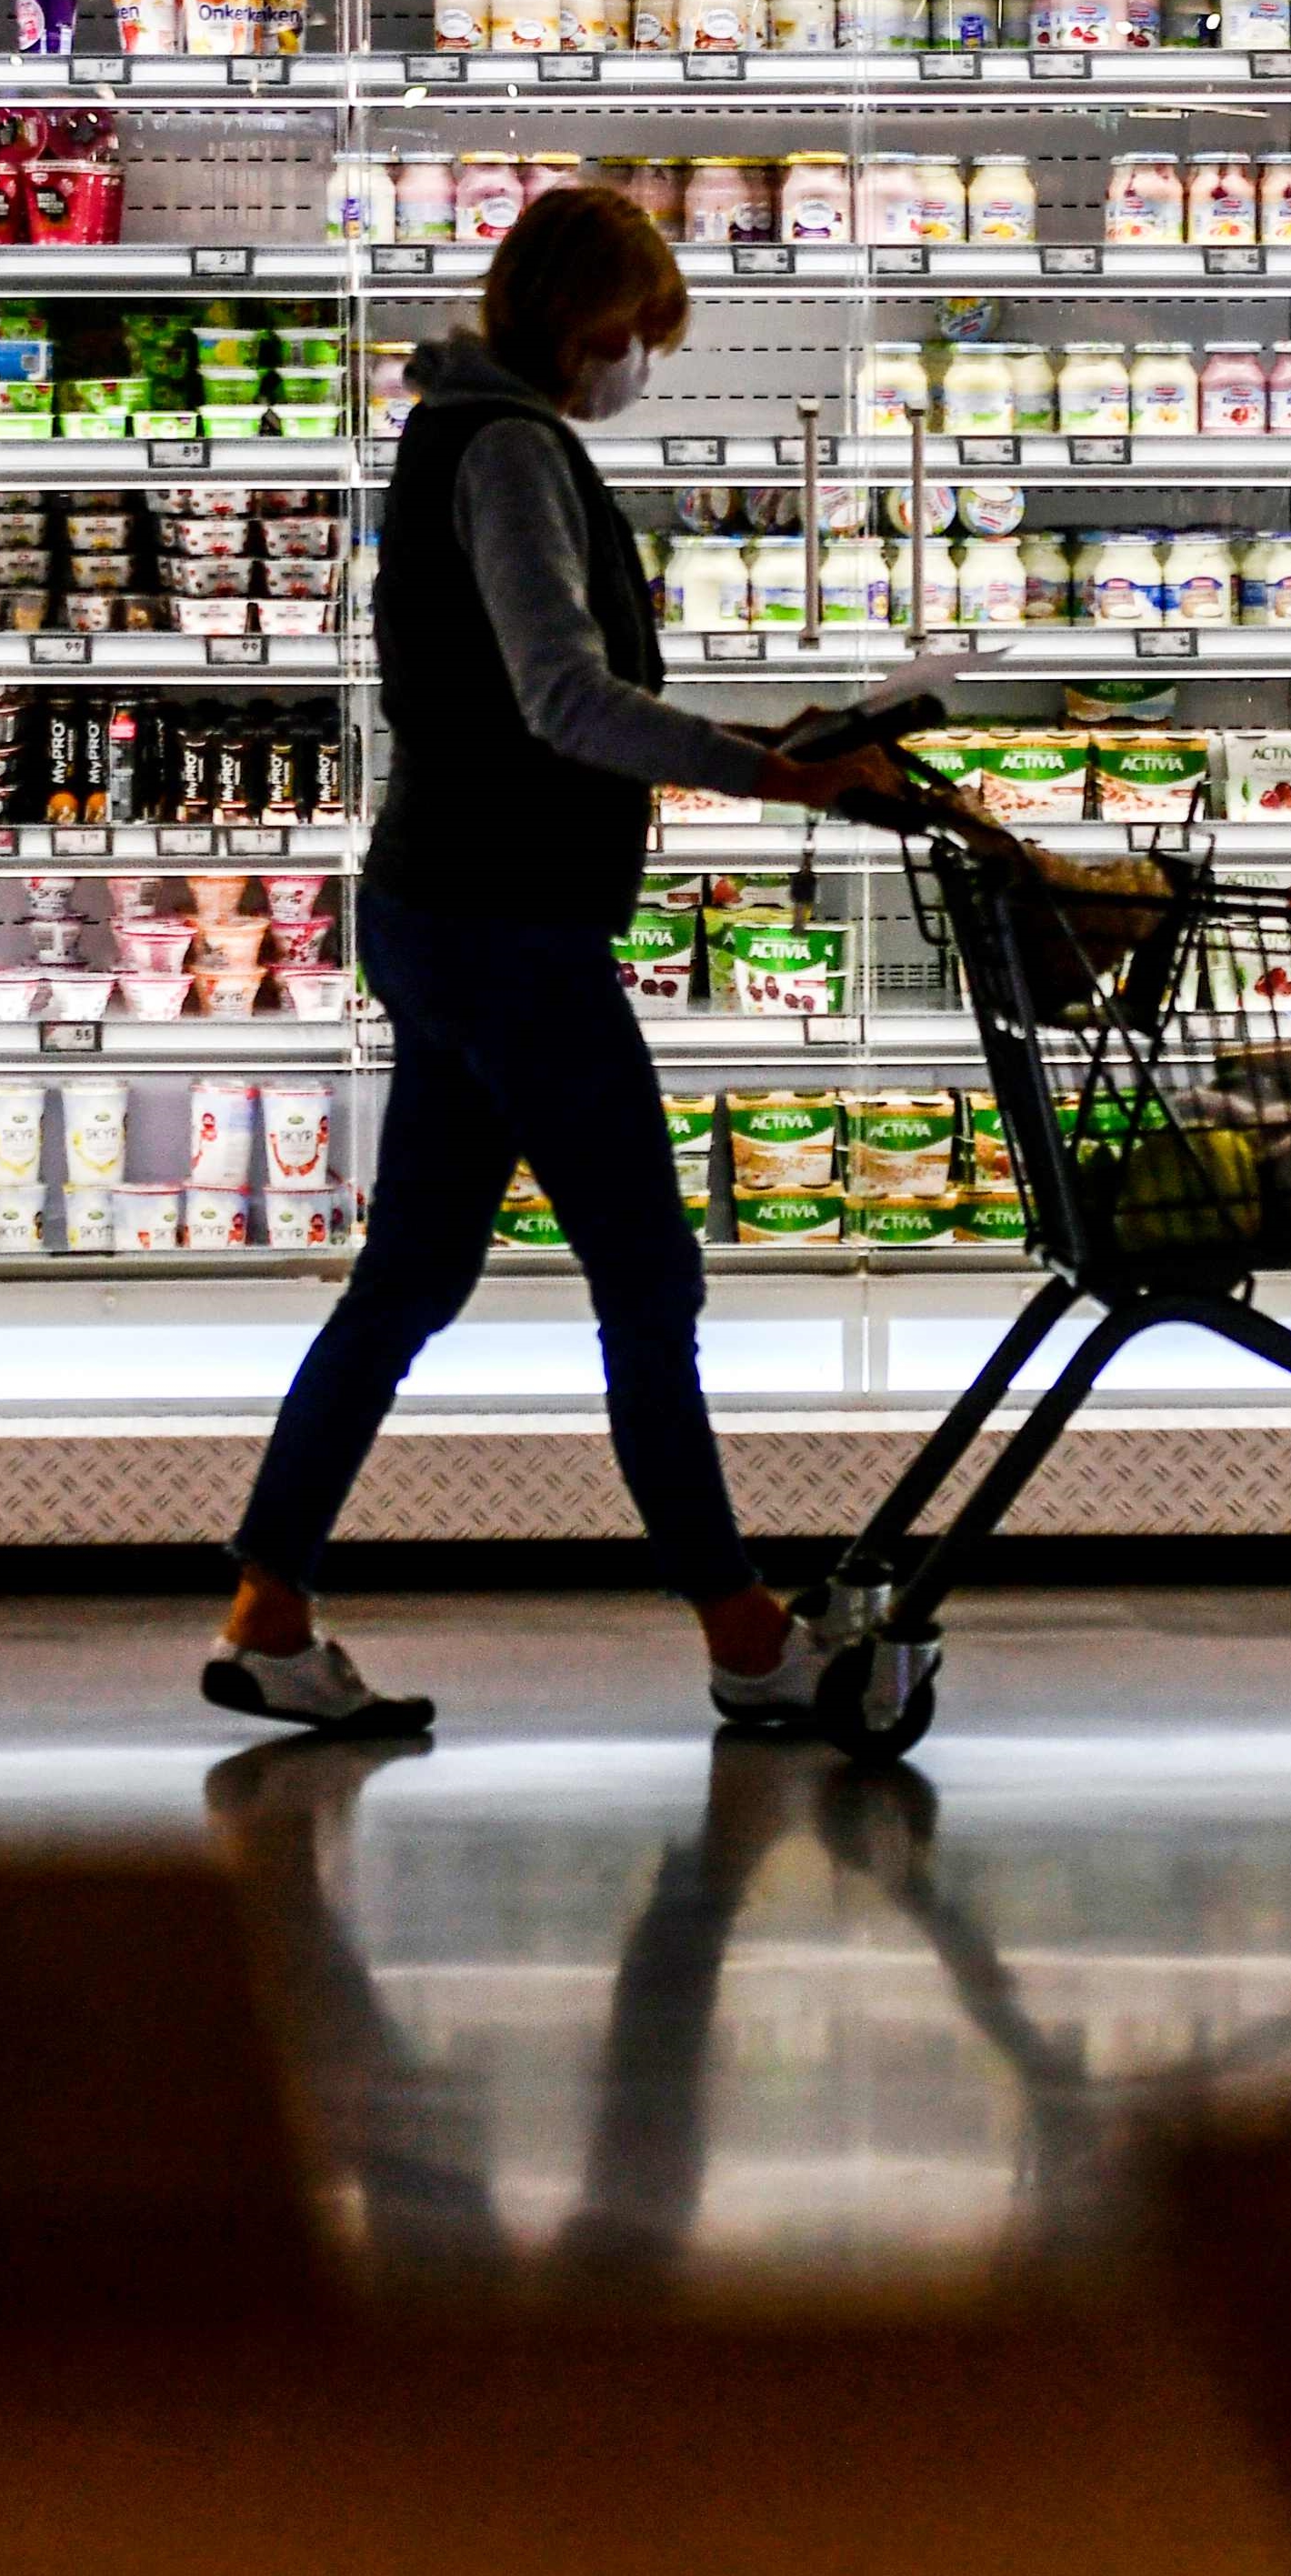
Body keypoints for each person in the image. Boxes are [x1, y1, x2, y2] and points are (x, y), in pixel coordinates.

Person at [205, 186, 905, 1738]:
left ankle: (268, 1613)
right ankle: (744, 1632)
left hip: (447, 906)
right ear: (583, 327)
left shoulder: (456, 429)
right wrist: (772, 774)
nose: (636, 367)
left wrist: (755, 749)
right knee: (649, 1277)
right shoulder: (513, 446)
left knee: (410, 1277)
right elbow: (561, 700)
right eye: (633, 338)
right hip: (509, 925)